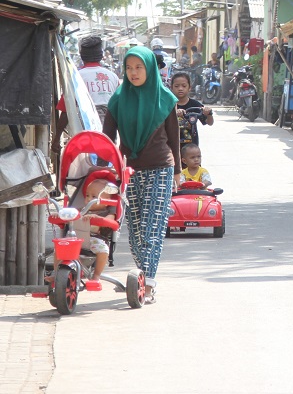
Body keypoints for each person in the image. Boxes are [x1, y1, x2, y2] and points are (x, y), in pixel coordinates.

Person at [102, 46, 181, 302]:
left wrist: (178, 172)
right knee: (135, 231)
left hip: (161, 168)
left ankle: (147, 282)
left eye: (139, 67)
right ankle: (141, 278)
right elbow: (107, 139)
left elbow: (174, 138)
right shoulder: (117, 99)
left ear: (149, 68)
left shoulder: (165, 98)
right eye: (129, 68)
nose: (134, 73)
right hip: (129, 170)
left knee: (152, 228)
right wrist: (103, 168)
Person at [83, 178, 114, 283]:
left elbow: (110, 222)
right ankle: (56, 274)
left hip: (95, 239)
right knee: (59, 249)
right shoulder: (82, 210)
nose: (88, 199)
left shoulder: (107, 212)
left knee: (103, 250)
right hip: (77, 238)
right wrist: (61, 215)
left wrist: (97, 218)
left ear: (106, 201)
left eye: (94, 197)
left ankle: (96, 275)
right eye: (87, 195)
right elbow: (70, 215)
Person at [170, 72, 214, 147]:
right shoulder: (168, 105)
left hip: (191, 146)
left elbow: (209, 123)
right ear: (171, 88)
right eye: (177, 86)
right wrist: (174, 114)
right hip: (172, 145)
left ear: (189, 88)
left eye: (184, 86)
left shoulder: (195, 105)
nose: (180, 89)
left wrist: (209, 114)